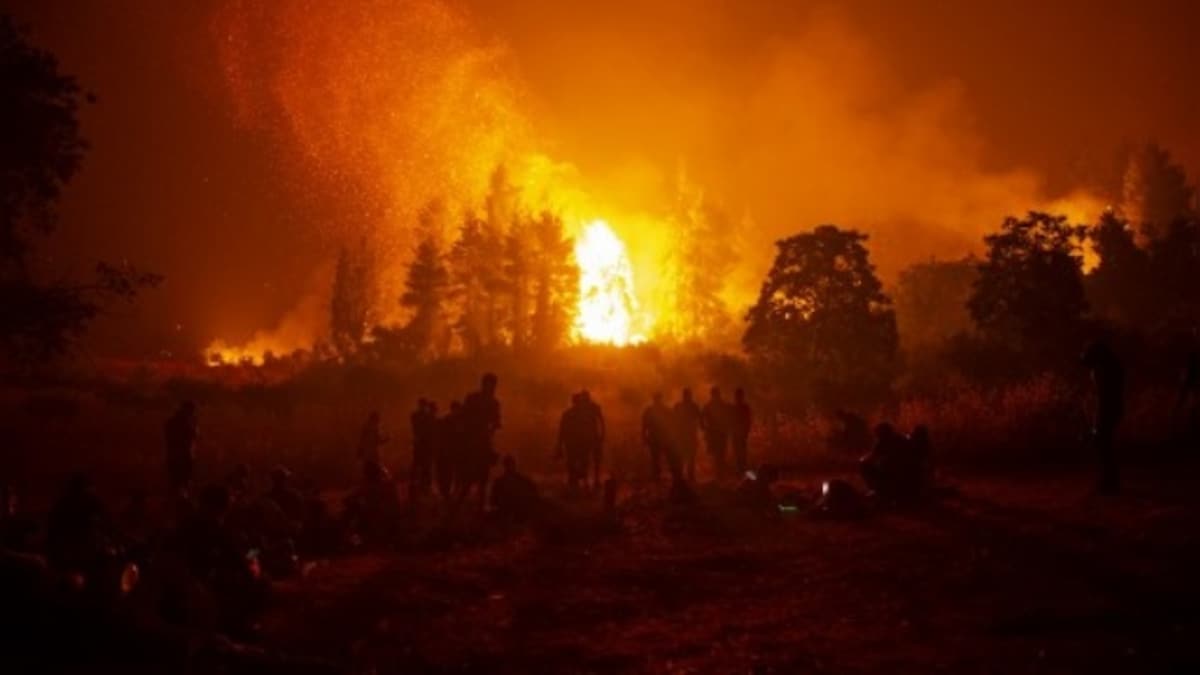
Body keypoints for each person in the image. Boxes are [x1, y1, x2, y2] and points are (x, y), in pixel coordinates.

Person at [1083, 339, 1125, 495]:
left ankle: (1108, 483)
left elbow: (1104, 397)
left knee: (1103, 445)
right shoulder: (1111, 367)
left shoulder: (1103, 370)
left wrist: (1098, 419)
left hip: (1107, 410)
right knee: (1104, 445)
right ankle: (1109, 481)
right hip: (1112, 409)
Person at [459, 373, 502, 506]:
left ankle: (480, 505)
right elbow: (463, 417)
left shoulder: (493, 403)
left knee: (483, 477)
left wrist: (489, 432)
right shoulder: (473, 399)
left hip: (482, 442)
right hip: (471, 441)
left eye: (493, 385)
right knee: (468, 478)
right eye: (490, 384)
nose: (491, 387)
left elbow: (496, 422)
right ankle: (459, 504)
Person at [859, 423, 917, 501]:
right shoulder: (902, 439)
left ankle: (877, 490)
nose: (876, 436)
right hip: (909, 475)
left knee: (864, 465)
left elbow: (870, 458)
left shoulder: (883, 441)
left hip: (892, 474)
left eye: (877, 433)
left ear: (881, 433)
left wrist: (861, 460)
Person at [490, 456, 541, 524]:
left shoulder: (522, 480)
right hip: (510, 511)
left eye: (510, 464)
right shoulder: (500, 482)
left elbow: (493, 500)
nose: (510, 467)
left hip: (516, 511)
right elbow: (494, 500)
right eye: (509, 465)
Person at [164, 400, 199, 497]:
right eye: (193, 410)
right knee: (183, 481)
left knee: (176, 482)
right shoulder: (187, 422)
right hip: (183, 456)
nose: (194, 413)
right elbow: (192, 436)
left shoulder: (172, 421)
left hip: (175, 456)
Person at [557, 393, 591, 489]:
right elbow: (562, 429)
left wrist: (559, 444)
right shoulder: (580, 415)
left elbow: (562, 430)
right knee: (576, 462)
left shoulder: (569, 414)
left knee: (576, 462)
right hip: (575, 443)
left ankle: (576, 480)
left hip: (575, 443)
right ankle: (576, 481)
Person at [641, 393, 674, 482]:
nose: (657, 401)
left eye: (658, 399)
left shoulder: (653, 410)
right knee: (656, 457)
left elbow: (672, 423)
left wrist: (644, 436)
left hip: (661, 436)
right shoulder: (655, 410)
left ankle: (659, 475)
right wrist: (644, 436)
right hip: (657, 437)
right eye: (657, 399)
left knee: (659, 457)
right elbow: (644, 425)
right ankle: (657, 475)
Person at [701, 387, 732, 478]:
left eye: (715, 394)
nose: (715, 396)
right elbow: (702, 417)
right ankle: (719, 472)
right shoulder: (710, 405)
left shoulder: (716, 405)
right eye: (714, 394)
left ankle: (719, 472)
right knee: (717, 453)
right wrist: (704, 427)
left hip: (719, 433)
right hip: (714, 433)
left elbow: (729, 416)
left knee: (720, 453)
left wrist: (703, 427)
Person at [672, 388, 702, 482]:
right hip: (687, 435)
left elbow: (672, 420)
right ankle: (688, 476)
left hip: (685, 435)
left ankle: (686, 476)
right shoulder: (693, 406)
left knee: (686, 457)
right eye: (688, 395)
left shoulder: (680, 406)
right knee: (689, 457)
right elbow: (700, 420)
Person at [435, 401, 463, 499]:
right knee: (448, 471)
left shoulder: (460, 420)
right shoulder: (446, 420)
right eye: (457, 409)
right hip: (449, 450)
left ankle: (454, 490)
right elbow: (442, 436)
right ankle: (448, 491)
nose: (458, 411)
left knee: (456, 471)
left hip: (455, 449)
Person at [580, 390, 606, 489]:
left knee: (593, 460)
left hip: (591, 436)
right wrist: (603, 433)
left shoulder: (589, 407)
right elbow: (601, 421)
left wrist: (602, 433)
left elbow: (601, 420)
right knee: (589, 460)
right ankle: (591, 480)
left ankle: (593, 480)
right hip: (588, 436)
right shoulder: (586, 407)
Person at [410, 399, 436, 496]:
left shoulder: (417, 416)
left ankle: (422, 486)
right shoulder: (422, 416)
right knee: (422, 466)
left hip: (424, 445)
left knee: (422, 466)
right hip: (423, 445)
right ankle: (421, 486)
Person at [732, 388, 753, 476]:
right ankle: (740, 472)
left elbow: (748, 420)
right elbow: (730, 421)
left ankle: (743, 472)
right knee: (738, 453)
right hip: (736, 434)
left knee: (742, 454)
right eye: (737, 396)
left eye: (738, 396)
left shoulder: (745, 407)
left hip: (741, 434)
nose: (737, 398)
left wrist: (746, 431)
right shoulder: (734, 407)